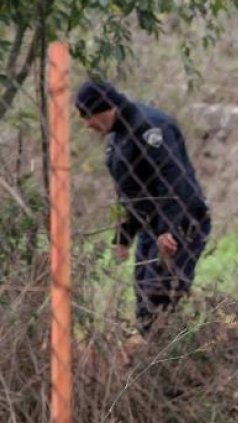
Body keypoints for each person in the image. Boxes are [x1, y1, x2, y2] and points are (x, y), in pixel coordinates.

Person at [75, 80, 211, 335]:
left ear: (106, 108)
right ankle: (156, 359)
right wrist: (123, 238)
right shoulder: (117, 137)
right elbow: (129, 192)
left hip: (182, 222)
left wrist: (168, 230)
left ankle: (172, 357)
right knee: (143, 295)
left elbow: (174, 181)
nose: (87, 125)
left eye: (89, 116)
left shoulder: (150, 128)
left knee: (160, 295)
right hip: (153, 227)